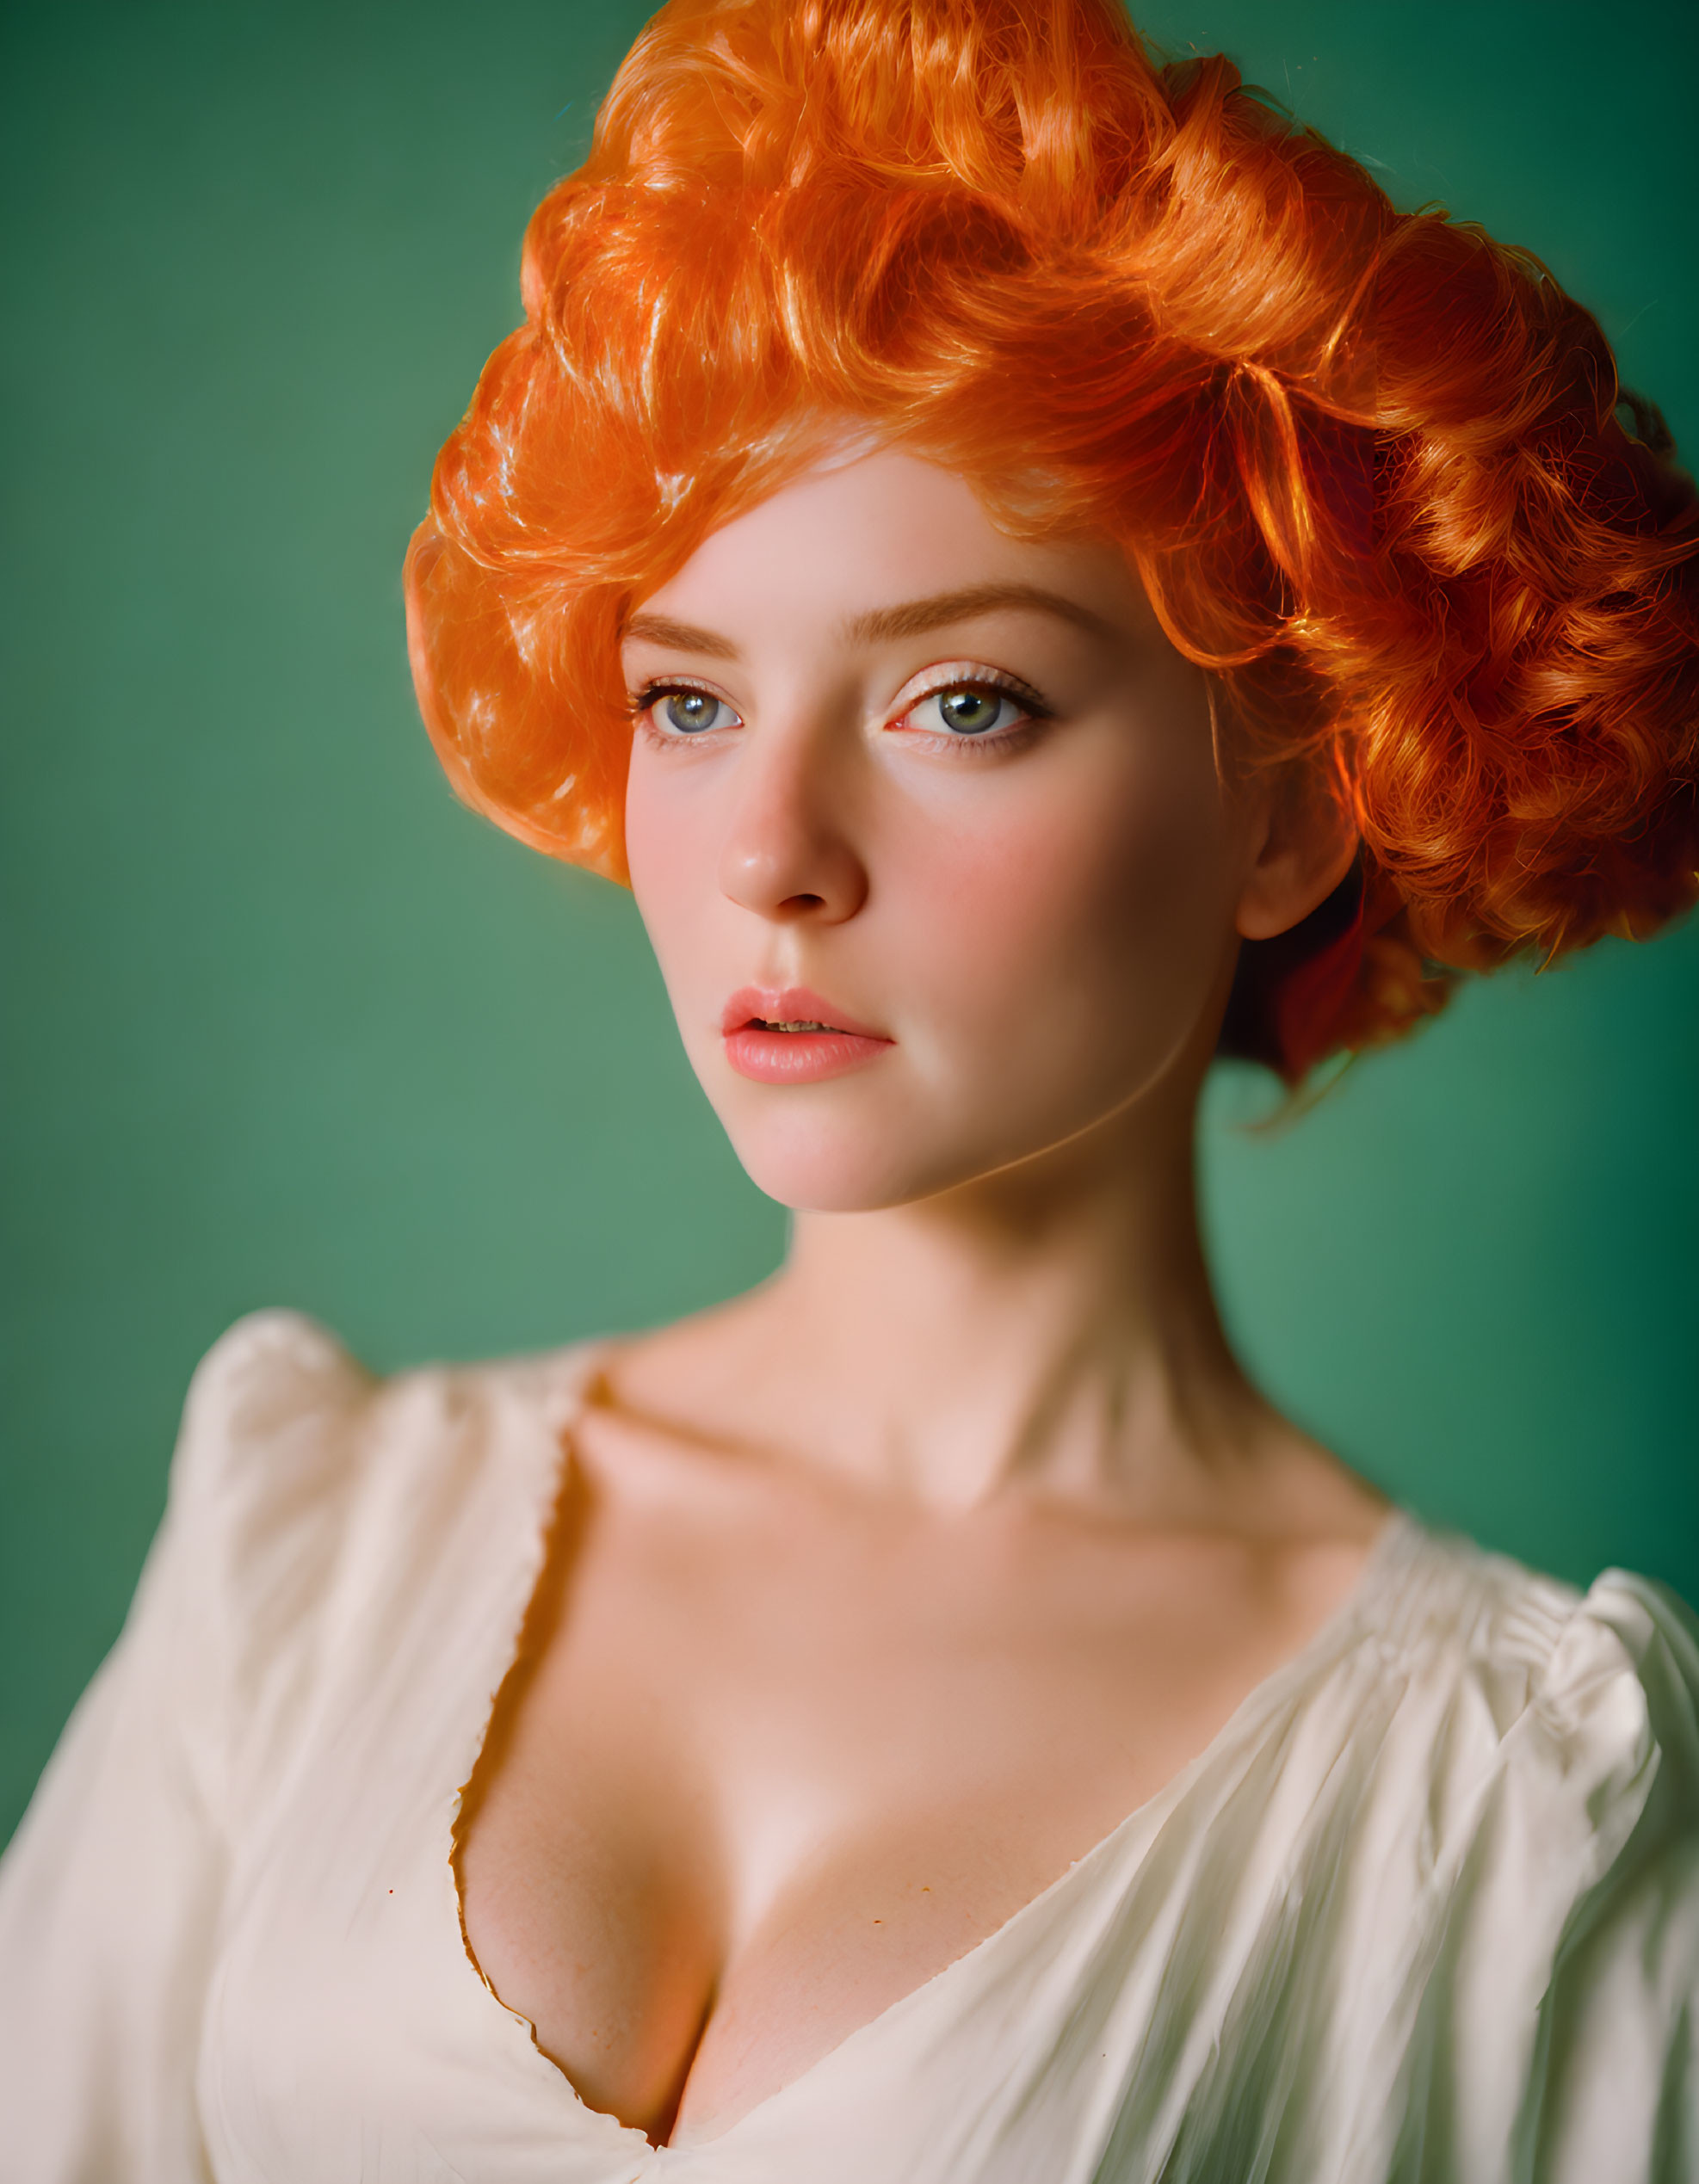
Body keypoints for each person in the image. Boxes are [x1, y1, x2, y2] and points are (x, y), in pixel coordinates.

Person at [3, 0, 1696, 2176]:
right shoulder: (316, 1551)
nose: (770, 854)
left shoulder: (1499, 1803)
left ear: (1296, 810)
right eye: (689, 705)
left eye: (962, 699)